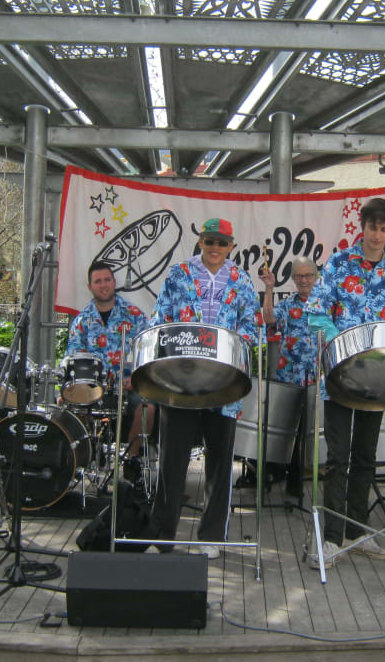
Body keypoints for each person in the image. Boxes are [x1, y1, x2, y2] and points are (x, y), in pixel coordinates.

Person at [305, 197, 385, 568]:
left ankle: (357, 531)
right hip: (341, 377)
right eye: (372, 227)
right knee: (338, 459)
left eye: (384, 229)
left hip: (379, 381)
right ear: (362, 226)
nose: (377, 235)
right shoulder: (339, 264)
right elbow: (316, 314)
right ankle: (331, 538)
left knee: (366, 458)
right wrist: (345, 350)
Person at [144, 218, 261, 559]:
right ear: (201, 241)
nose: (215, 247)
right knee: (172, 460)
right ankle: (162, 535)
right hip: (181, 379)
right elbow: (160, 317)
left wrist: (238, 349)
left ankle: (212, 535)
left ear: (231, 246)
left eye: (222, 242)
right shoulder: (179, 273)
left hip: (223, 383)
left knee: (220, 463)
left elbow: (250, 326)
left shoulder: (241, 280)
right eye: (210, 240)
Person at [65, 261, 150, 479]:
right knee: (68, 404)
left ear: (114, 283)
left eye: (107, 280)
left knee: (148, 407)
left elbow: (149, 353)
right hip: (93, 389)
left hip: (128, 387)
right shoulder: (81, 321)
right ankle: (86, 456)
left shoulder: (134, 315)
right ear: (90, 286)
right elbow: (73, 358)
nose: (103, 285)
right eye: (98, 281)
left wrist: (137, 379)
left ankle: (132, 461)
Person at [260, 256, 319, 500]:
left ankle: (297, 482)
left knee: (307, 430)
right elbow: (269, 319)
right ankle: (274, 475)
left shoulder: (326, 303)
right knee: (286, 429)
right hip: (289, 376)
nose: (304, 280)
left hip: (316, 376)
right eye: (299, 276)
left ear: (315, 278)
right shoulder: (287, 305)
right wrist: (269, 288)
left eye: (308, 276)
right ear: (293, 279)